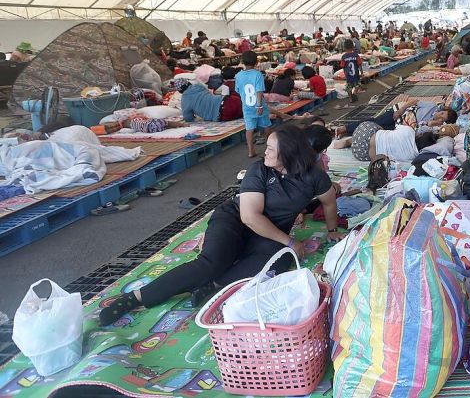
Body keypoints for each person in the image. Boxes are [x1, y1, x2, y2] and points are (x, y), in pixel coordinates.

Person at [97, 125, 338, 325]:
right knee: (212, 262)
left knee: (279, 260)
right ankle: (136, 297)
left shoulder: (314, 177)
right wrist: (290, 241)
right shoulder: (260, 171)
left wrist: (332, 230)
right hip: (235, 219)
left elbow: (328, 202)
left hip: (268, 233)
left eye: (271, 149)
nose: (265, 152)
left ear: (288, 154)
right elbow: (250, 217)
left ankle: (214, 286)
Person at [236, 50, 272, 158]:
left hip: (247, 107)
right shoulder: (258, 74)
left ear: (242, 61)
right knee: (266, 125)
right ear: (256, 62)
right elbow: (259, 91)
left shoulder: (238, 76)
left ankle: (251, 151)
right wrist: (260, 105)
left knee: (249, 129)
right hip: (259, 106)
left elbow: (238, 90)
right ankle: (270, 148)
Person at [177, 79, 241, 122]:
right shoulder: (198, 86)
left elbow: (188, 118)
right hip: (228, 100)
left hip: (222, 113)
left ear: (180, 91)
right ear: (189, 83)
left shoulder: (185, 99)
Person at [341, 40, 362, 104]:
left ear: (344, 47)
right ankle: (355, 92)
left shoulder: (344, 56)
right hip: (356, 74)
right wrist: (362, 72)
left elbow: (343, 66)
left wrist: (345, 74)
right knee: (358, 85)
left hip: (348, 75)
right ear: (353, 46)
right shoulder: (356, 55)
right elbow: (359, 64)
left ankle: (350, 98)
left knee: (348, 87)